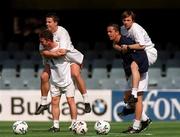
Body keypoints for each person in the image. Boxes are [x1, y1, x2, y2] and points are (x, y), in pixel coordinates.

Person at [35, 13, 91, 115]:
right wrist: (52, 53)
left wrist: (49, 53)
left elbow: (63, 52)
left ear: (56, 23)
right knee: (43, 77)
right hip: (55, 59)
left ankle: (86, 101)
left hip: (71, 58)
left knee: (75, 74)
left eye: (49, 22)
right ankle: (43, 103)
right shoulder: (45, 34)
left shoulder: (62, 32)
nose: (47, 24)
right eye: (46, 22)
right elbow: (42, 51)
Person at [107, 23, 151, 134]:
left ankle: (136, 126)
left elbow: (140, 50)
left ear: (117, 32)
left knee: (137, 99)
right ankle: (145, 119)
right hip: (132, 72)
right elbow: (126, 59)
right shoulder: (117, 44)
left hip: (140, 69)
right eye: (107, 32)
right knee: (127, 97)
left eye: (110, 31)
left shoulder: (127, 41)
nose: (108, 34)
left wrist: (139, 67)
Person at [39, 29, 77, 132]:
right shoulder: (45, 51)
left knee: (70, 101)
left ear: (48, 40)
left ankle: (74, 124)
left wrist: (78, 69)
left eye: (42, 41)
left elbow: (75, 58)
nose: (41, 44)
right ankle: (56, 126)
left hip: (67, 79)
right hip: (55, 81)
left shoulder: (63, 47)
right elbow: (46, 61)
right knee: (55, 102)